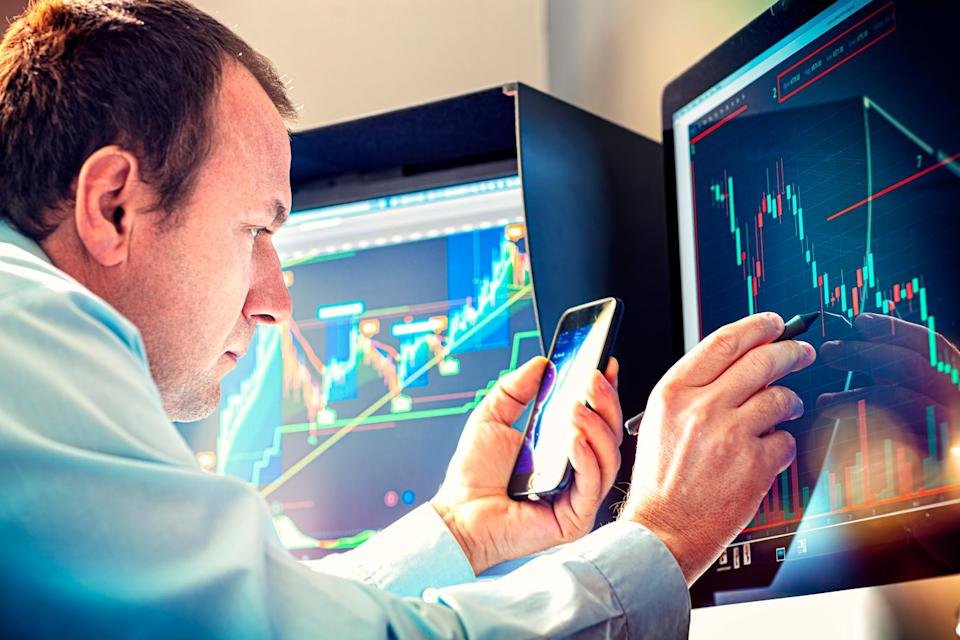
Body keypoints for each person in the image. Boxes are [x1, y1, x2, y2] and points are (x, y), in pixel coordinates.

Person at [0, 1, 816, 637]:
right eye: (255, 230)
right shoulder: (31, 340)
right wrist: (665, 538)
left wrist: (462, 532)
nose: (276, 301)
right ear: (112, 205)